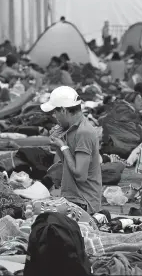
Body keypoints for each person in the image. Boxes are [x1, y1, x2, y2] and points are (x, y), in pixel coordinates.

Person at [41, 86, 102, 214]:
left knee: (36, 210)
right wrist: (57, 143)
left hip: (84, 202)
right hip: (72, 198)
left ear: (63, 110)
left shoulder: (84, 132)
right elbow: (67, 163)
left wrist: (62, 145)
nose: (54, 116)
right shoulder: (71, 129)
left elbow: (80, 176)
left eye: (55, 112)